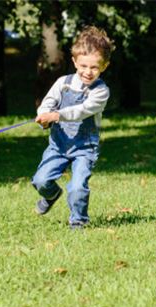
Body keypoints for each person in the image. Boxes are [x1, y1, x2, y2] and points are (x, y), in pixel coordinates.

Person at [32, 26, 114, 230]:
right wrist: (44, 115)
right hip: (58, 145)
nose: (88, 72)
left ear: (104, 66)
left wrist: (57, 115)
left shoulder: (101, 91)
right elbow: (48, 102)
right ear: (75, 61)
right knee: (40, 181)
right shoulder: (63, 83)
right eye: (84, 65)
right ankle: (51, 195)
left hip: (84, 147)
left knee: (78, 187)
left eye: (94, 67)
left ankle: (78, 220)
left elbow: (82, 111)